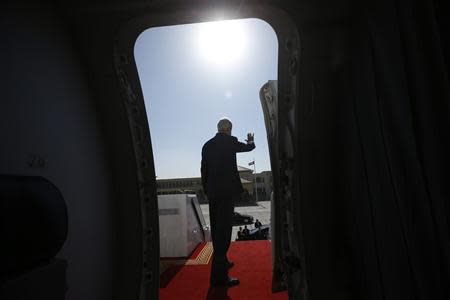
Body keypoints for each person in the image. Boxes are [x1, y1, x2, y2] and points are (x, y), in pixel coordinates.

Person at [201, 117, 255, 287]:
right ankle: (219, 277)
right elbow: (249, 148)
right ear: (229, 129)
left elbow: (204, 171)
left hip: (213, 193)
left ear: (218, 128)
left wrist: (208, 190)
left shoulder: (207, 145)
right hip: (226, 193)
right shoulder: (230, 142)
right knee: (223, 233)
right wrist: (251, 140)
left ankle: (222, 262)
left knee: (217, 228)